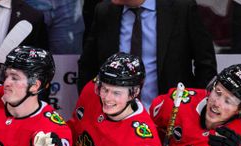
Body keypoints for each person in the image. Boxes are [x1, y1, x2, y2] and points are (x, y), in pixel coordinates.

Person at [78, 0, 217, 108]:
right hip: (115, 122)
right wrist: (91, 108)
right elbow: (88, 67)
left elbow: (205, 63)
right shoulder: (104, 11)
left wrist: (195, 108)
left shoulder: (181, 7)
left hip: (170, 119)